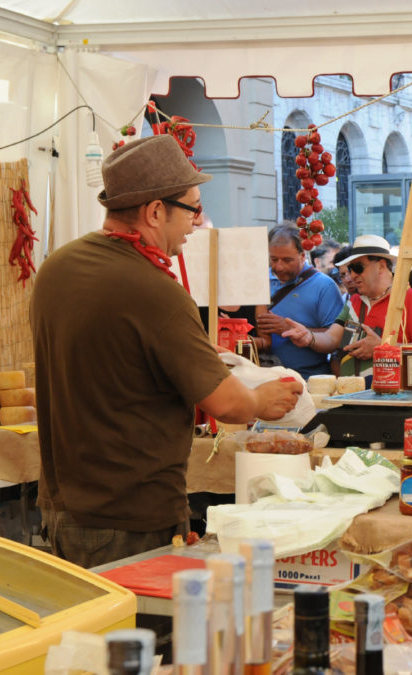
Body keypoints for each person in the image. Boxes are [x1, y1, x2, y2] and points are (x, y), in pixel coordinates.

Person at [30, 135, 303, 568]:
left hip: (60, 507)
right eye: (192, 208)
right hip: (130, 515)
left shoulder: (56, 268)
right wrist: (261, 398)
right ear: (155, 211)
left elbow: (113, 365)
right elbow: (227, 404)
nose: (197, 222)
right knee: (143, 634)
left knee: (90, 633)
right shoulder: (154, 289)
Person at [298, 234, 412, 379]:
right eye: (350, 269)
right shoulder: (355, 301)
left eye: (358, 268)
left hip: (393, 397)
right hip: (354, 394)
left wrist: (382, 348)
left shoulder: (410, 296)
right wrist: (309, 337)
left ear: (381, 266)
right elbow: (331, 339)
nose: (352, 276)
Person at [254, 225, 344, 378]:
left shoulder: (324, 286)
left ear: (303, 256)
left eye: (287, 260)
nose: (279, 267)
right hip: (264, 378)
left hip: (310, 379)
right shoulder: (259, 281)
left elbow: (337, 339)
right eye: (274, 259)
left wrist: (288, 328)